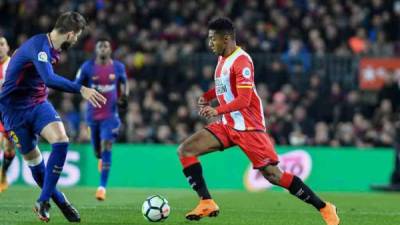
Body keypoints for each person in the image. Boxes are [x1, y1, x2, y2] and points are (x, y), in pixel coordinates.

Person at [177, 17, 340, 225]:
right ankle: (206, 201)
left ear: (226, 39)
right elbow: (225, 86)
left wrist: (215, 109)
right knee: (185, 150)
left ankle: (325, 207)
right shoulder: (222, 59)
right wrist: (208, 96)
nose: (209, 44)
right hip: (228, 124)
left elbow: (244, 100)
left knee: (273, 175)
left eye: (213, 39)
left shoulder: (242, 61)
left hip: (249, 127)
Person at [0, 12, 106, 222]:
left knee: (61, 140)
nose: (76, 40)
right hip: (13, 111)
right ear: (70, 34)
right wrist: (81, 89)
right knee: (35, 163)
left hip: (38, 103)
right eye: (76, 36)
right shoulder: (39, 46)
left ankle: (44, 200)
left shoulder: (51, 48)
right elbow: (49, 78)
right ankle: (60, 200)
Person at [75, 37, 128, 201]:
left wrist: (124, 96)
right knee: (97, 150)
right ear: (96, 49)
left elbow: (125, 84)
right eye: (101, 46)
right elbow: (76, 84)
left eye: (106, 46)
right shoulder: (87, 67)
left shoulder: (118, 67)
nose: (104, 48)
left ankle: (101, 188)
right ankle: (100, 158)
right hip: (92, 116)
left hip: (110, 116)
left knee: (107, 144)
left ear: (110, 49)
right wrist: (83, 90)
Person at [0, 36, 16, 193]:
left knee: (9, 148)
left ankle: (3, 173)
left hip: (9, 111)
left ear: (7, 47)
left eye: (2, 44)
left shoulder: (12, 65)